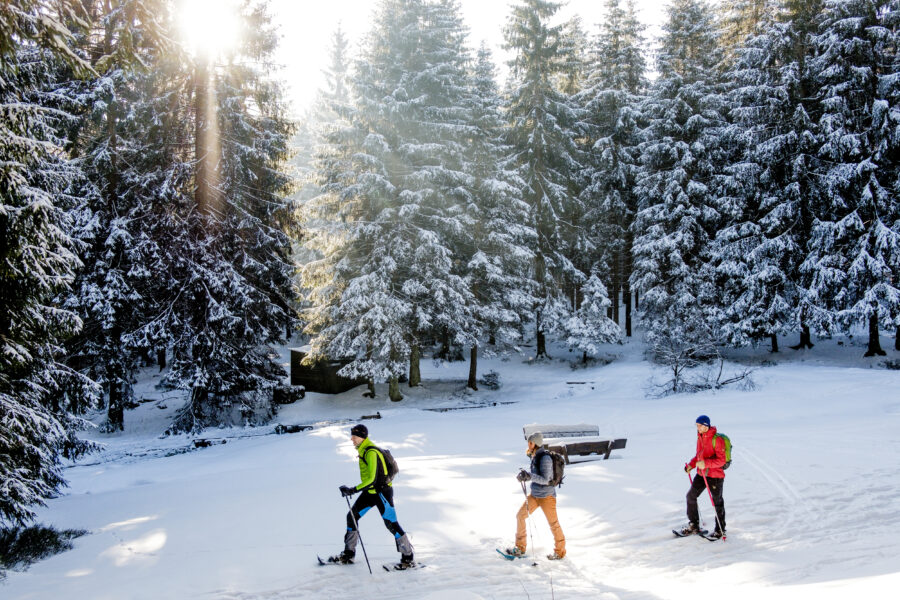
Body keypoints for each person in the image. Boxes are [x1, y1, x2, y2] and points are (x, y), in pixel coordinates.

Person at [328, 424, 415, 566]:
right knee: (352, 517)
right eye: (352, 436)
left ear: (362, 437)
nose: (352, 439)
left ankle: (408, 558)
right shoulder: (363, 451)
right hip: (370, 492)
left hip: (382, 493)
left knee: (391, 524)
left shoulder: (371, 452)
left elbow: (372, 479)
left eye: (354, 436)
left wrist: (352, 490)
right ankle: (348, 555)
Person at [506, 431, 566, 560]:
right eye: (528, 442)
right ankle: (520, 548)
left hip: (547, 497)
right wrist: (524, 475)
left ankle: (560, 551)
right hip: (534, 495)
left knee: (553, 523)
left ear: (537, 444)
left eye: (531, 442)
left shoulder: (545, 458)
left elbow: (546, 479)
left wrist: (529, 476)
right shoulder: (534, 456)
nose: (529, 444)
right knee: (520, 516)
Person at [680, 415, 727, 538]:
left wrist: (705, 463)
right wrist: (691, 465)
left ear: (706, 425)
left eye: (700, 425)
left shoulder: (717, 440)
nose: (698, 428)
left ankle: (720, 530)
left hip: (715, 476)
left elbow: (721, 460)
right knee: (690, 496)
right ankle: (694, 524)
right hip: (702, 474)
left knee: (717, 503)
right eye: (696, 425)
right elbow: (699, 456)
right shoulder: (700, 437)